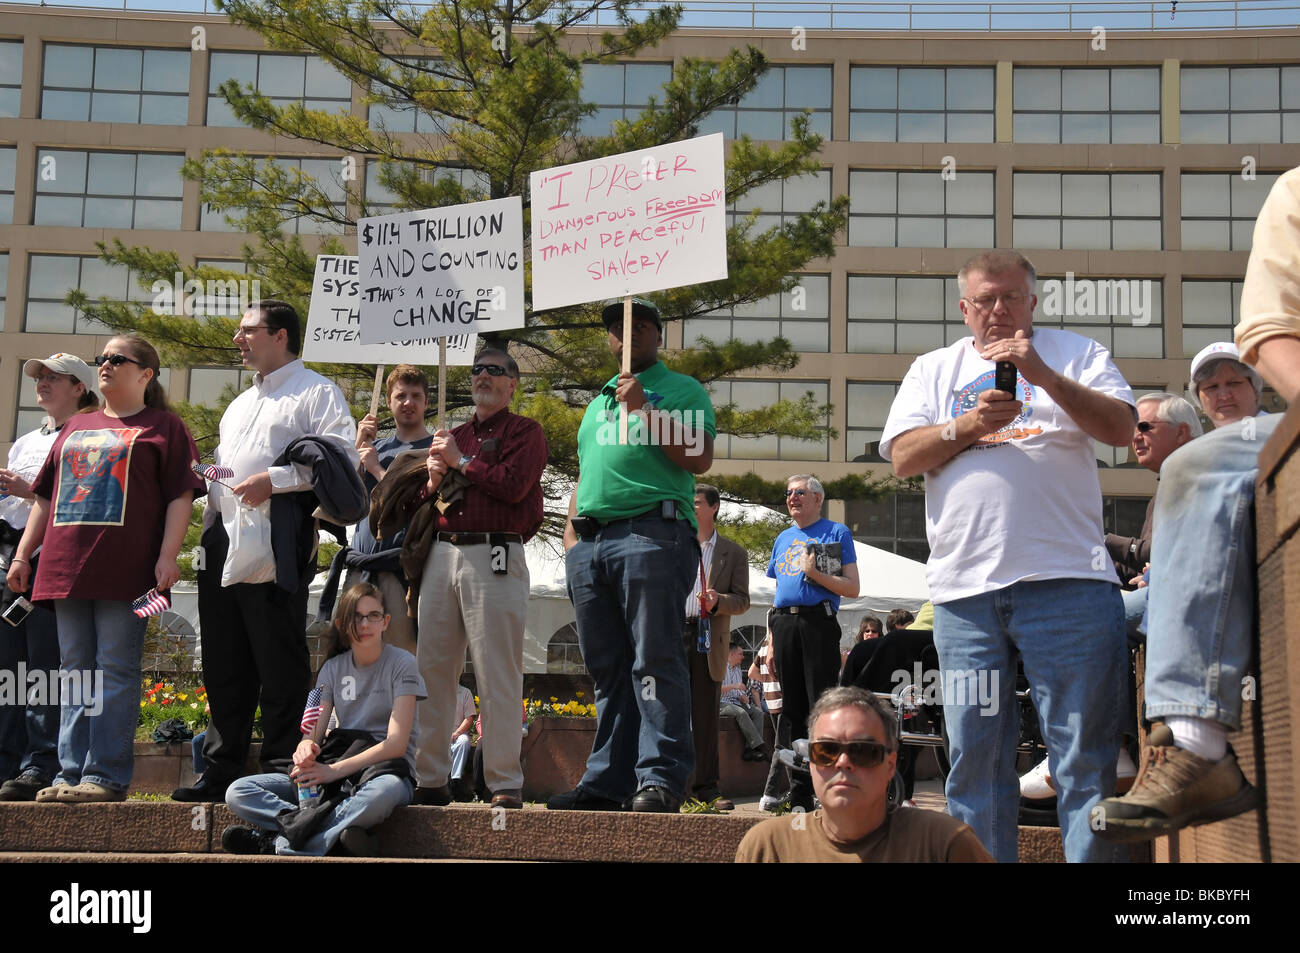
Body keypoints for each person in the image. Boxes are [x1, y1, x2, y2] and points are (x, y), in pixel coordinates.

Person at [880, 249, 1136, 863]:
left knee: (1082, 758)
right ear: (965, 309)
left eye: (1011, 297)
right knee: (974, 760)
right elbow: (902, 457)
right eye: (986, 299)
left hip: (1069, 582)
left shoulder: (1077, 353)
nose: (999, 309)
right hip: (967, 596)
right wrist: (966, 426)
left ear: (1033, 301)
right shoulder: (933, 368)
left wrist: (1043, 374)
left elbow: (1122, 430)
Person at [175, 300, 360, 802]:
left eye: (246, 330)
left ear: (280, 335)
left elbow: (341, 461)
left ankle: (281, 766)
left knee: (278, 656)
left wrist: (274, 481)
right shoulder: (239, 404)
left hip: (279, 536)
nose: (237, 338)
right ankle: (220, 768)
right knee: (222, 657)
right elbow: (224, 470)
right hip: (222, 540)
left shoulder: (317, 392)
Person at [6, 336, 203, 803]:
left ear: (146, 374)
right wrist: (21, 556)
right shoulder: (76, 427)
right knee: (73, 670)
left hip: (129, 572)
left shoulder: (165, 426)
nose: (106, 365)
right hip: (61, 568)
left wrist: (168, 555)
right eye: (102, 359)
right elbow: (44, 499)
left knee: (115, 668)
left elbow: (181, 495)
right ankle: (69, 774)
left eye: (118, 359)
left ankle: (106, 777)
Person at [1095, 340, 1277, 839]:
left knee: (1105, 615)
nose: (1221, 392)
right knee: (1099, 613)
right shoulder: (1204, 463)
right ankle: (1121, 749)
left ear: (1257, 388)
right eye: (1209, 386)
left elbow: (1149, 551)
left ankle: (1191, 744)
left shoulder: (1213, 452)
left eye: (1233, 382)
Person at [552, 297, 715, 814]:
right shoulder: (598, 402)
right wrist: (571, 543)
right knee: (608, 667)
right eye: (621, 328)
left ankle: (662, 780)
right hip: (592, 544)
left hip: (652, 534)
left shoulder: (682, 389)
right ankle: (607, 781)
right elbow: (585, 476)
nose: (630, 335)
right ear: (612, 340)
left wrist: (646, 406)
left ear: (658, 336)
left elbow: (700, 456)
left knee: (656, 659)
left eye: (641, 326)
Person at [1021, 392, 1201, 802]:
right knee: (1080, 615)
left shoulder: (1192, 474)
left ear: (1182, 432)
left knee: (1091, 620)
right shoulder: (1171, 478)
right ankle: (1093, 748)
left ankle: (1090, 749)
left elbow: (1156, 553)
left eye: (1145, 426)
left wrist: (1102, 541)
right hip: (1161, 592)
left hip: (1179, 595)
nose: (1134, 436)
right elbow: (1147, 558)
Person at [409, 347, 546, 810]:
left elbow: (513, 484)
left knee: (497, 672)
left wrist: (461, 462)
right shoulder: (455, 434)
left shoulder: (526, 432)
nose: (483, 376)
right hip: (441, 555)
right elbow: (420, 508)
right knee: (432, 671)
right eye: (477, 370)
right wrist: (430, 481)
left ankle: (504, 781)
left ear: (512, 384)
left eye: (495, 370)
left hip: (496, 552)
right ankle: (429, 778)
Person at [220, 582, 425, 856]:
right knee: (238, 792)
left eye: (373, 615)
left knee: (380, 795)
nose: (365, 624)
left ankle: (277, 842)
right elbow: (312, 732)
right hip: (335, 768)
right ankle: (335, 837)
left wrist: (333, 772)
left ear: (386, 621)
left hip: (384, 772)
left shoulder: (403, 663)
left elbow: (396, 744)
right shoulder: (331, 669)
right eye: (356, 616)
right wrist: (304, 749)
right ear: (342, 624)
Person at [735, 686, 993, 862]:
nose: (843, 763)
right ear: (811, 762)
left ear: (891, 764)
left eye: (863, 751)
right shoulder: (768, 847)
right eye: (827, 750)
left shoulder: (944, 843)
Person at [0, 354, 99, 800]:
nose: (42, 383)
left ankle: (41, 763)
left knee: (44, 668)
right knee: (10, 670)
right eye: (40, 377)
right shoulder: (23, 442)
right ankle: (7, 762)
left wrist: (30, 491)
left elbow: (90, 501)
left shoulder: (92, 435)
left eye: (54, 377)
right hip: (13, 561)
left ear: (79, 387)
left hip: (54, 566)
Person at [765, 473, 859, 812]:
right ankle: (800, 792)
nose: (792, 498)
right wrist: (771, 640)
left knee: (819, 707)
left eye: (800, 492)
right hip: (783, 623)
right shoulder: (783, 537)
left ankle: (825, 785)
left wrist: (815, 574)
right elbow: (779, 592)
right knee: (790, 710)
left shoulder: (836, 533)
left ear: (817, 498)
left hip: (817, 622)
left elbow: (852, 588)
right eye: (788, 492)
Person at [345, 363, 434, 654]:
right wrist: (356, 456)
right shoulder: (373, 448)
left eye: (416, 396)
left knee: (401, 660)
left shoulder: (433, 450)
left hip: (402, 574)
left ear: (426, 401)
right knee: (357, 660)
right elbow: (345, 503)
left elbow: (416, 503)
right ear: (388, 402)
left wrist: (375, 468)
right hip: (362, 570)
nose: (408, 403)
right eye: (401, 396)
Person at [683, 482, 750, 809]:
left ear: (713, 507)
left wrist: (718, 600)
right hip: (670, 634)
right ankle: (668, 785)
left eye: (696, 502)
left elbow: (743, 600)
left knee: (706, 715)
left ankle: (706, 788)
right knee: (668, 711)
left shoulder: (733, 553)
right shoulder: (674, 544)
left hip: (707, 635)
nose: (690, 507)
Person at [751, 625, 789, 812]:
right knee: (781, 747)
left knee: (786, 746)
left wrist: (768, 683)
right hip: (784, 699)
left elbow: (751, 672)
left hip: (771, 700)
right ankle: (769, 793)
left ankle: (793, 789)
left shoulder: (764, 646)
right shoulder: (783, 643)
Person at [719, 640, 766, 762]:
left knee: (758, 713)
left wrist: (742, 696)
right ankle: (759, 746)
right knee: (741, 713)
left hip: (736, 702)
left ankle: (749, 750)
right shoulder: (720, 667)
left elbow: (739, 690)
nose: (743, 657)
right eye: (740, 654)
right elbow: (716, 690)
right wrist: (735, 686)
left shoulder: (737, 669)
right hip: (721, 703)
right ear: (731, 654)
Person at [449, 683, 477, 802]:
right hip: (439, 733)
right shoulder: (437, 691)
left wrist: (456, 733)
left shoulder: (465, 693)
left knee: (464, 742)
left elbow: (469, 718)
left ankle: (455, 780)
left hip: (458, 733)